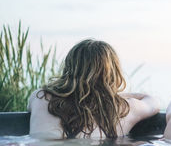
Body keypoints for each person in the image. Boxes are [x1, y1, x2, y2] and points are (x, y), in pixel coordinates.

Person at [28, 39, 159, 139]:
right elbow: (153, 102)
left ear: (69, 67)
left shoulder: (40, 97)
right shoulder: (124, 108)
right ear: (113, 72)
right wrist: (113, 95)